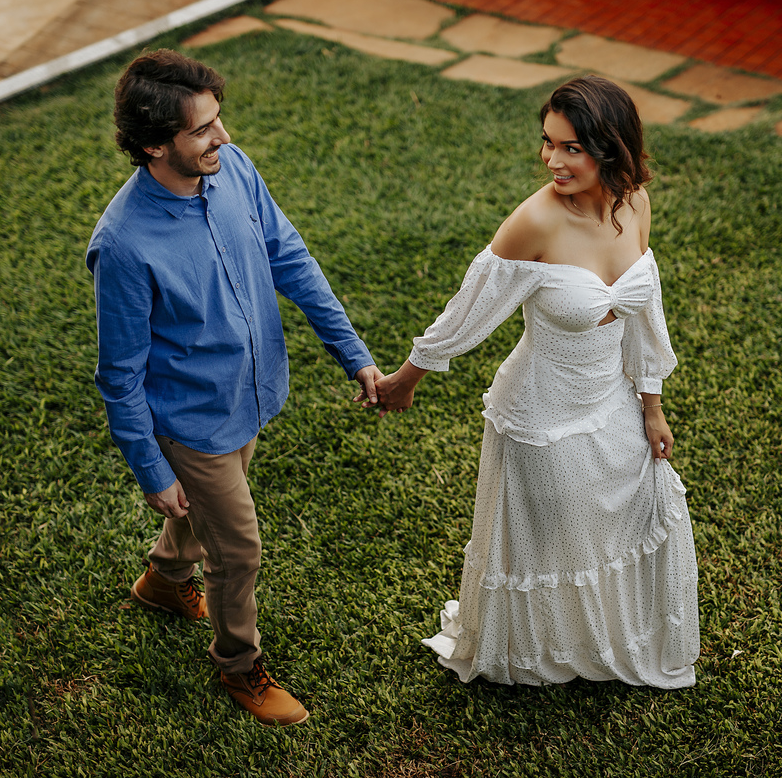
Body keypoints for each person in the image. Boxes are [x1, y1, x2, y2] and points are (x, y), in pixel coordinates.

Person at [86, 49, 382, 725]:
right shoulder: (124, 246)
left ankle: (164, 581)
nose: (223, 137)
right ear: (156, 145)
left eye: (219, 121)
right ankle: (239, 665)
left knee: (209, 517)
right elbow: (120, 376)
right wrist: (151, 468)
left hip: (249, 395)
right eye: (203, 130)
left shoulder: (233, 168)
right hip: (189, 421)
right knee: (238, 546)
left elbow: (290, 257)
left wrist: (353, 354)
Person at [374, 75, 700, 687]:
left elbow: (643, 314)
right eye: (548, 143)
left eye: (571, 147)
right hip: (540, 413)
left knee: (614, 520)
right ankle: (536, 647)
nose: (552, 159)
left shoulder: (634, 204)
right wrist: (406, 378)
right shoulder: (534, 222)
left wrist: (651, 405)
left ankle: (595, 638)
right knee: (552, 535)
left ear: (611, 148)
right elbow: (468, 311)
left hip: (612, 400)